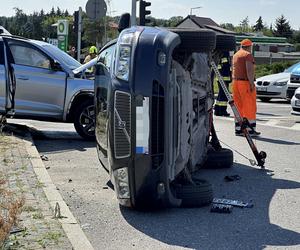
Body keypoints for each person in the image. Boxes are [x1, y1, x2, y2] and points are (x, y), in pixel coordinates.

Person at [232, 39, 260, 136]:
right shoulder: (248, 55)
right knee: (249, 105)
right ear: (249, 46)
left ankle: (239, 129)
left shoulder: (236, 55)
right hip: (245, 83)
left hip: (235, 82)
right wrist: (251, 83)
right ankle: (250, 129)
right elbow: (249, 70)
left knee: (238, 106)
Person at [214, 52, 231, 117]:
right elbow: (226, 66)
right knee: (224, 95)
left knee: (221, 94)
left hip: (220, 77)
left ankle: (217, 110)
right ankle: (222, 111)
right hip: (224, 77)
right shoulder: (225, 53)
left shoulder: (219, 53)